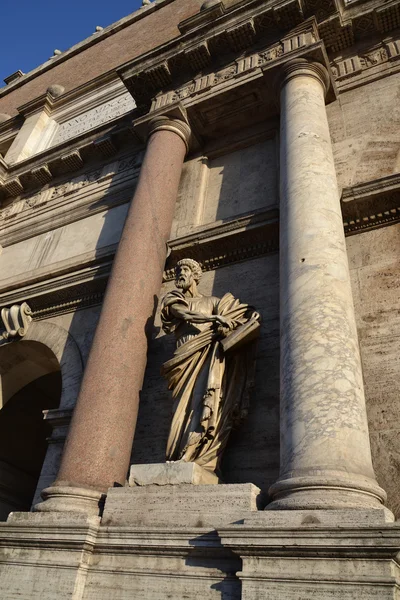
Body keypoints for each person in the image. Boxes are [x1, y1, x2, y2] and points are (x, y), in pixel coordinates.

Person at [161, 258, 260, 476]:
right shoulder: (173, 299)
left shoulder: (214, 301)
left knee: (201, 403)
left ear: (196, 275)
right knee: (180, 410)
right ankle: (176, 453)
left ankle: (191, 455)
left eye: (185, 270)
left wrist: (244, 319)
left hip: (207, 358)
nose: (181, 274)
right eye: (178, 270)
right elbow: (184, 314)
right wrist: (216, 317)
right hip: (183, 361)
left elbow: (238, 318)